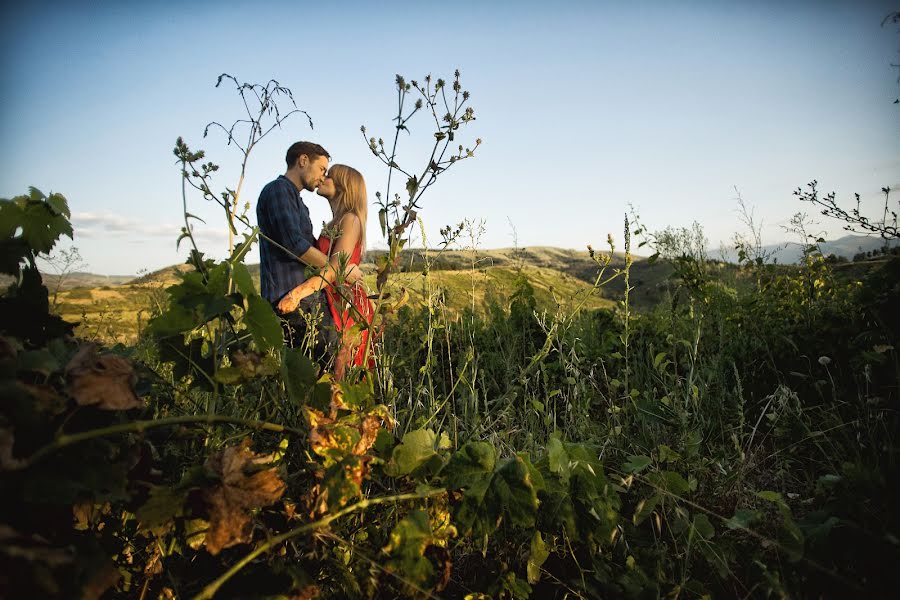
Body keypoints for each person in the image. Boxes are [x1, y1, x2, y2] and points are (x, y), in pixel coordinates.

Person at [257, 142, 362, 359]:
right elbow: (294, 244)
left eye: (327, 173)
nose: (323, 177)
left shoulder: (298, 201)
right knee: (325, 368)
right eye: (323, 169)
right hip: (293, 296)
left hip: (308, 297)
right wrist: (339, 270)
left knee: (326, 370)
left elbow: (307, 248)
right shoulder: (279, 190)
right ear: (303, 161)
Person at [276, 164, 374, 380]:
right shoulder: (334, 222)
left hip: (345, 303)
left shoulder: (351, 219)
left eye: (329, 175)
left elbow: (335, 268)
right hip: (330, 296)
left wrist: (297, 294)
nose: (323, 178)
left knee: (340, 372)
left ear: (344, 185)